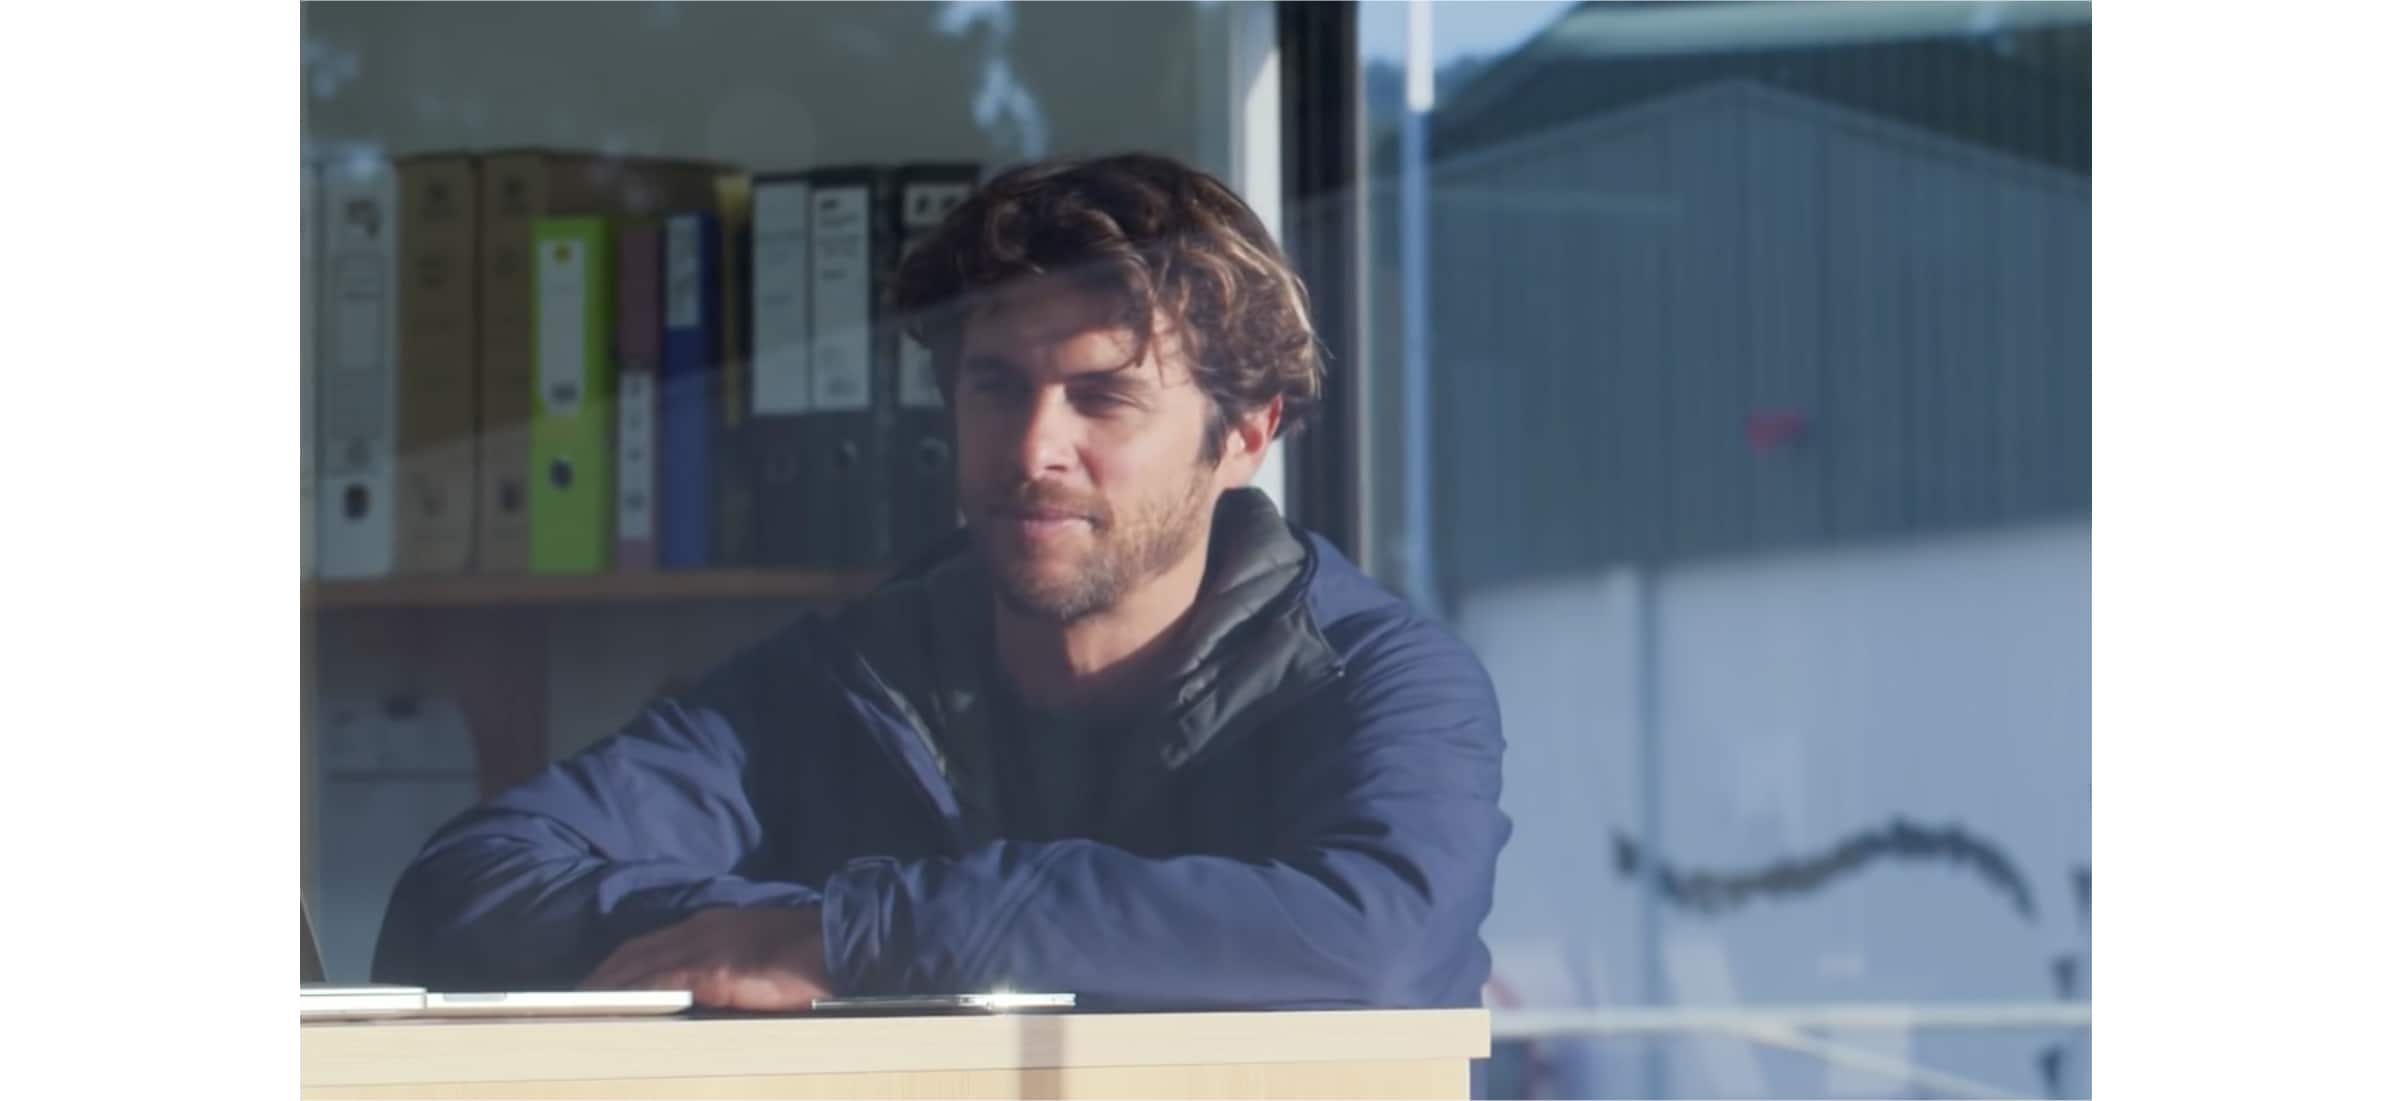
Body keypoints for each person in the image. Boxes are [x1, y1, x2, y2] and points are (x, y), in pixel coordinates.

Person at [372, 152, 1511, 1013]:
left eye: (1103, 398)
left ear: (1246, 434)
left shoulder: (1374, 681)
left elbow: (1379, 944)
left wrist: (857, 937)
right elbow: (462, 893)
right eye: (993, 386)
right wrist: (795, 929)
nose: (1029, 450)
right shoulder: (850, 678)